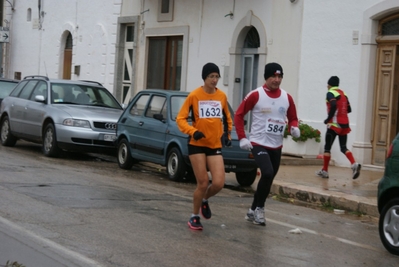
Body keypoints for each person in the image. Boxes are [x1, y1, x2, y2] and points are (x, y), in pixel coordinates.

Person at [234, 62, 300, 226]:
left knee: (267, 179)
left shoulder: (286, 97)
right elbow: (239, 115)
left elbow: (293, 117)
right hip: (258, 143)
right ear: (266, 77)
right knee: (268, 172)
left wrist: (294, 128)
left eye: (279, 77)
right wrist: (242, 137)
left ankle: (252, 209)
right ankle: (260, 210)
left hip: (276, 146)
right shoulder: (256, 95)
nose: (276, 80)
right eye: (273, 76)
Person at [176, 62, 233, 230]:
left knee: (219, 183)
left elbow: (227, 118)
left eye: (217, 77)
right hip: (197, 144)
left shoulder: (221, 96)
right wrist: (193, 131)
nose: (214, 80)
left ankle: (205, 200)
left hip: (214, 144)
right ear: (205, 78)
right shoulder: (194, 96)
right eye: (211, 77)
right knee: (202, 183)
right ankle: (194, 216)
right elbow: (180, 119)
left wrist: (227, 135)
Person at [316, 76, 361, 179]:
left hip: (334, 125)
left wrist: (328, 118)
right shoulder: (343, 93)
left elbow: (333, 104)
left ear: (329, 85)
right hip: (345, 124)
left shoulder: (330, 93)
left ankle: (325, 171)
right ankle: (354, 164)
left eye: (327, 85)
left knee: (327, 148)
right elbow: (349, 109)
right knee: (343, 147)